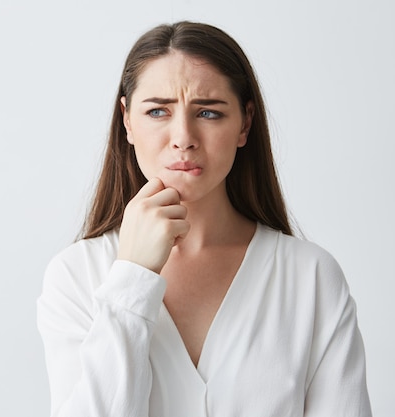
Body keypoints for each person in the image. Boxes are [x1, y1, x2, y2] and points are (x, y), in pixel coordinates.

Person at [36, 21, 371, 417]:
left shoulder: (310, 278)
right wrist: (132, 276)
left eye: (208, 112)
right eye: (158, 111)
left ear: (244, 123)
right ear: (126, 120)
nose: (183, 137)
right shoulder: (76, 276)